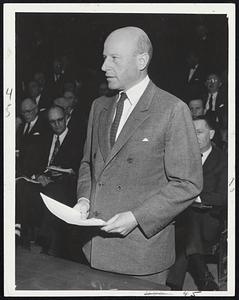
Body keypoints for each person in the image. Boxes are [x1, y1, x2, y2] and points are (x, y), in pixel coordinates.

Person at [73, 26, 203, 285]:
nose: (103, 66)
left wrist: (136, 217)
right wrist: (84, 200)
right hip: (95, 248)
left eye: (113, 58)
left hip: (140, 254)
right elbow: (89, 163)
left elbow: (188, 183)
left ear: (141, 61)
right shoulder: (99, 106)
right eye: (104, 57)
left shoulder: (172, 109)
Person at [166, 115, 227, 290]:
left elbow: (223, 198)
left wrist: (193, 197)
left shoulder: (224, 160)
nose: (194, 136)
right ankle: (202, 279)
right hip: (181, 221)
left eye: (199, 132)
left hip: (210, 223)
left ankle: (175, 285)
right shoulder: (181, 158)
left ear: (212, 134)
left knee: (190, 216)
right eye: (191, 132)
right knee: (186, 220)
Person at [16, 105, 83, 253]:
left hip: (66, 185)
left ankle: (44, 241)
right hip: (43, 181)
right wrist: (39, 175)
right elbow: (33, 163)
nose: (57, 125)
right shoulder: (44, 139)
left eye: (60, 120)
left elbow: (82, 167)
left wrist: (69, 172)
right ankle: (21, 234)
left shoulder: (78, 139)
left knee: (53, 190)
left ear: (66, 118)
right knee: (21, 185)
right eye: (52, 122)